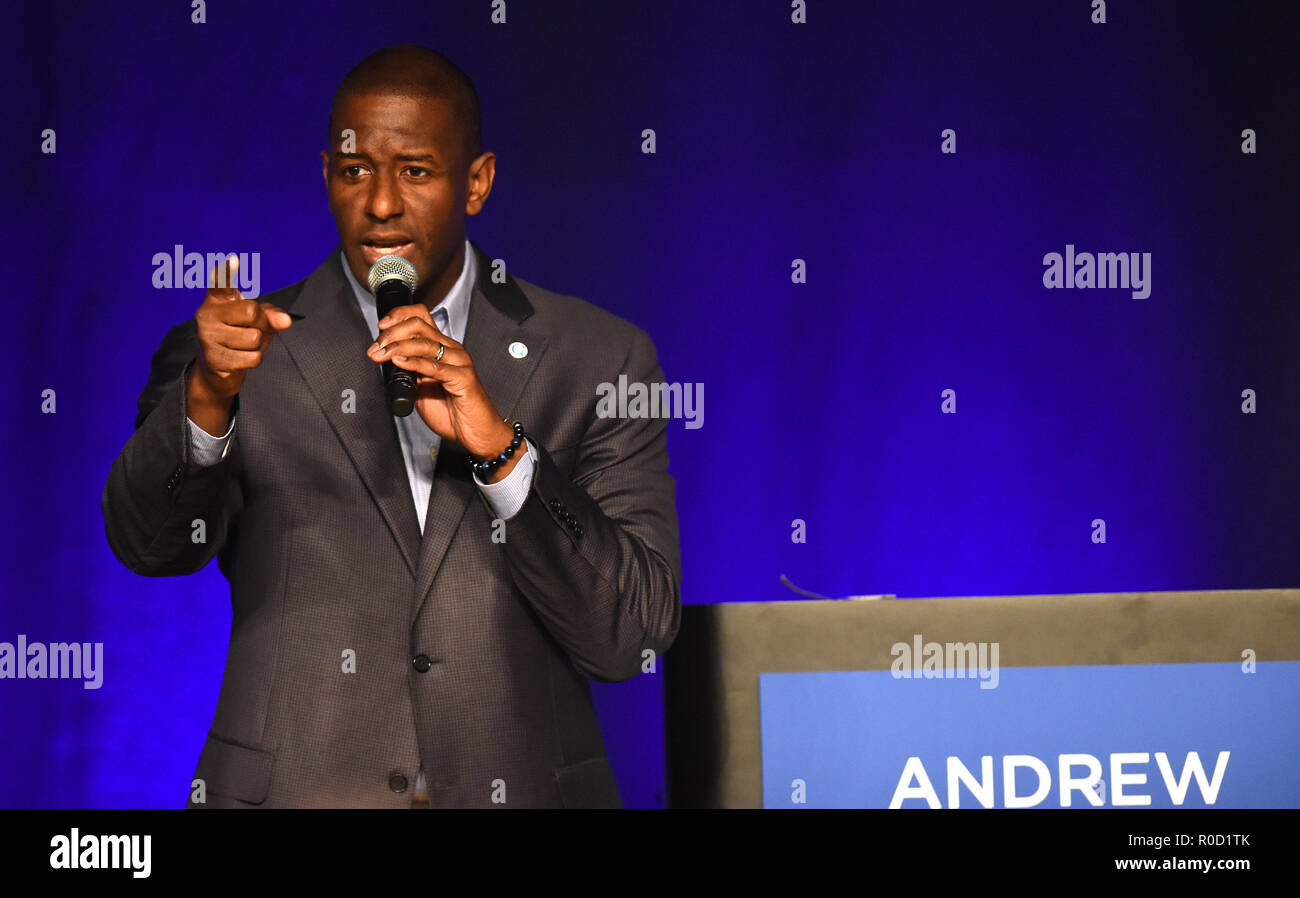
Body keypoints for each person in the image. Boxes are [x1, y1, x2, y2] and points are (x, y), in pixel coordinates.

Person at [101, 44, 682, 808]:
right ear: (326, 177)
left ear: (476, 183)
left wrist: (502, 453)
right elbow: (150, 546)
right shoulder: (235, 353)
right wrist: (208, 402)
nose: (379, 204)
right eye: (353, 171)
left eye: (415, 170)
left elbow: (632, 633)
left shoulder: (599, 356)